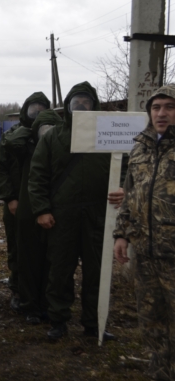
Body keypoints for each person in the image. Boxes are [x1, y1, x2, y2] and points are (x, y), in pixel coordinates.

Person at [28, 82, 124, 340]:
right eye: (76, 102)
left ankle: (95, 323)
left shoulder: (108, 134)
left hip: (98, 214)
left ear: (94, 105)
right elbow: (37, 177)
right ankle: (58, 320)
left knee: (98, 272)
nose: (81, 107)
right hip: (62, 216)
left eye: (86, 102)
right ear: (68, 106)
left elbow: (125, 167)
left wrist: (124, 188)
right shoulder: (53, 137)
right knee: (60, 271)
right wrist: (42, 210)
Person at [113, 85, 175, 380]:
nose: (161, 113)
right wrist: (122, 234)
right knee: (152, 321)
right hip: (146, 256)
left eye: (169, 107)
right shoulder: (140, 148)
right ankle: (161, 372)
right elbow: (131, 195)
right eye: (156, 107)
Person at [3, 108, 61, 324]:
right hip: (28, 212)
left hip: (54, 212)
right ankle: (30, 305)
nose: (47, 134)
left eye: (52, 129)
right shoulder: (26, 148)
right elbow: (9, 144)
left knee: (52, 262)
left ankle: (47, 304)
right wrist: (29, 128)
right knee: (28, 259)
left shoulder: (63, 150)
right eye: (43, 129)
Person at [0, 93, 50, 312]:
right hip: (16, 202)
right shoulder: (12, 136)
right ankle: (17, 289)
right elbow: (0, 166)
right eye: (33, 108)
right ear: (25, 110)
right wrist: (10, 198)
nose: (36, 113)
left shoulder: (49, 134)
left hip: (43, 202)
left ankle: (42, 293)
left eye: (41, 109)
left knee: (45, 248)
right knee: (17, 246)